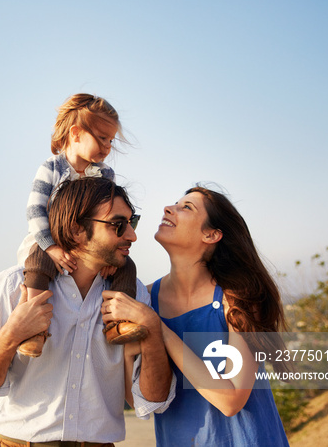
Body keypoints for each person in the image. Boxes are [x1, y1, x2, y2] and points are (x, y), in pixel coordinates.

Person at [0, 177, 175, 446]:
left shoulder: (133, 296)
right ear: (76, 229)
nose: (132, 235)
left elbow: (151, 401)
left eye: (131, 223)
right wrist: (12, 334)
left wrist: (153, 328)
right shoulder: (13, 286)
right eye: (118, 225)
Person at [102, 185, 290, 446]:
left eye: (186, 207)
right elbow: (140, 403)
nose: (169, 208)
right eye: (176, 204)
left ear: (211, 234)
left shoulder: (237, 299)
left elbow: (231, 399)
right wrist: (127, 352)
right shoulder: (144, 300)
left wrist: (157, 329)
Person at [17, 93, 146, 358]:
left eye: (110, 140)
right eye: (101, 138)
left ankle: (117, 324)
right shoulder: (52, 168)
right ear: (76, 134)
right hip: (50, 240)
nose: (107, 146)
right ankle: (33, 330)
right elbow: (35, 208)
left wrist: (107, 252)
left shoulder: (104, 174)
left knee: (126, 267)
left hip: (88, 244)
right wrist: (50, 246)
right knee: (38, 264)